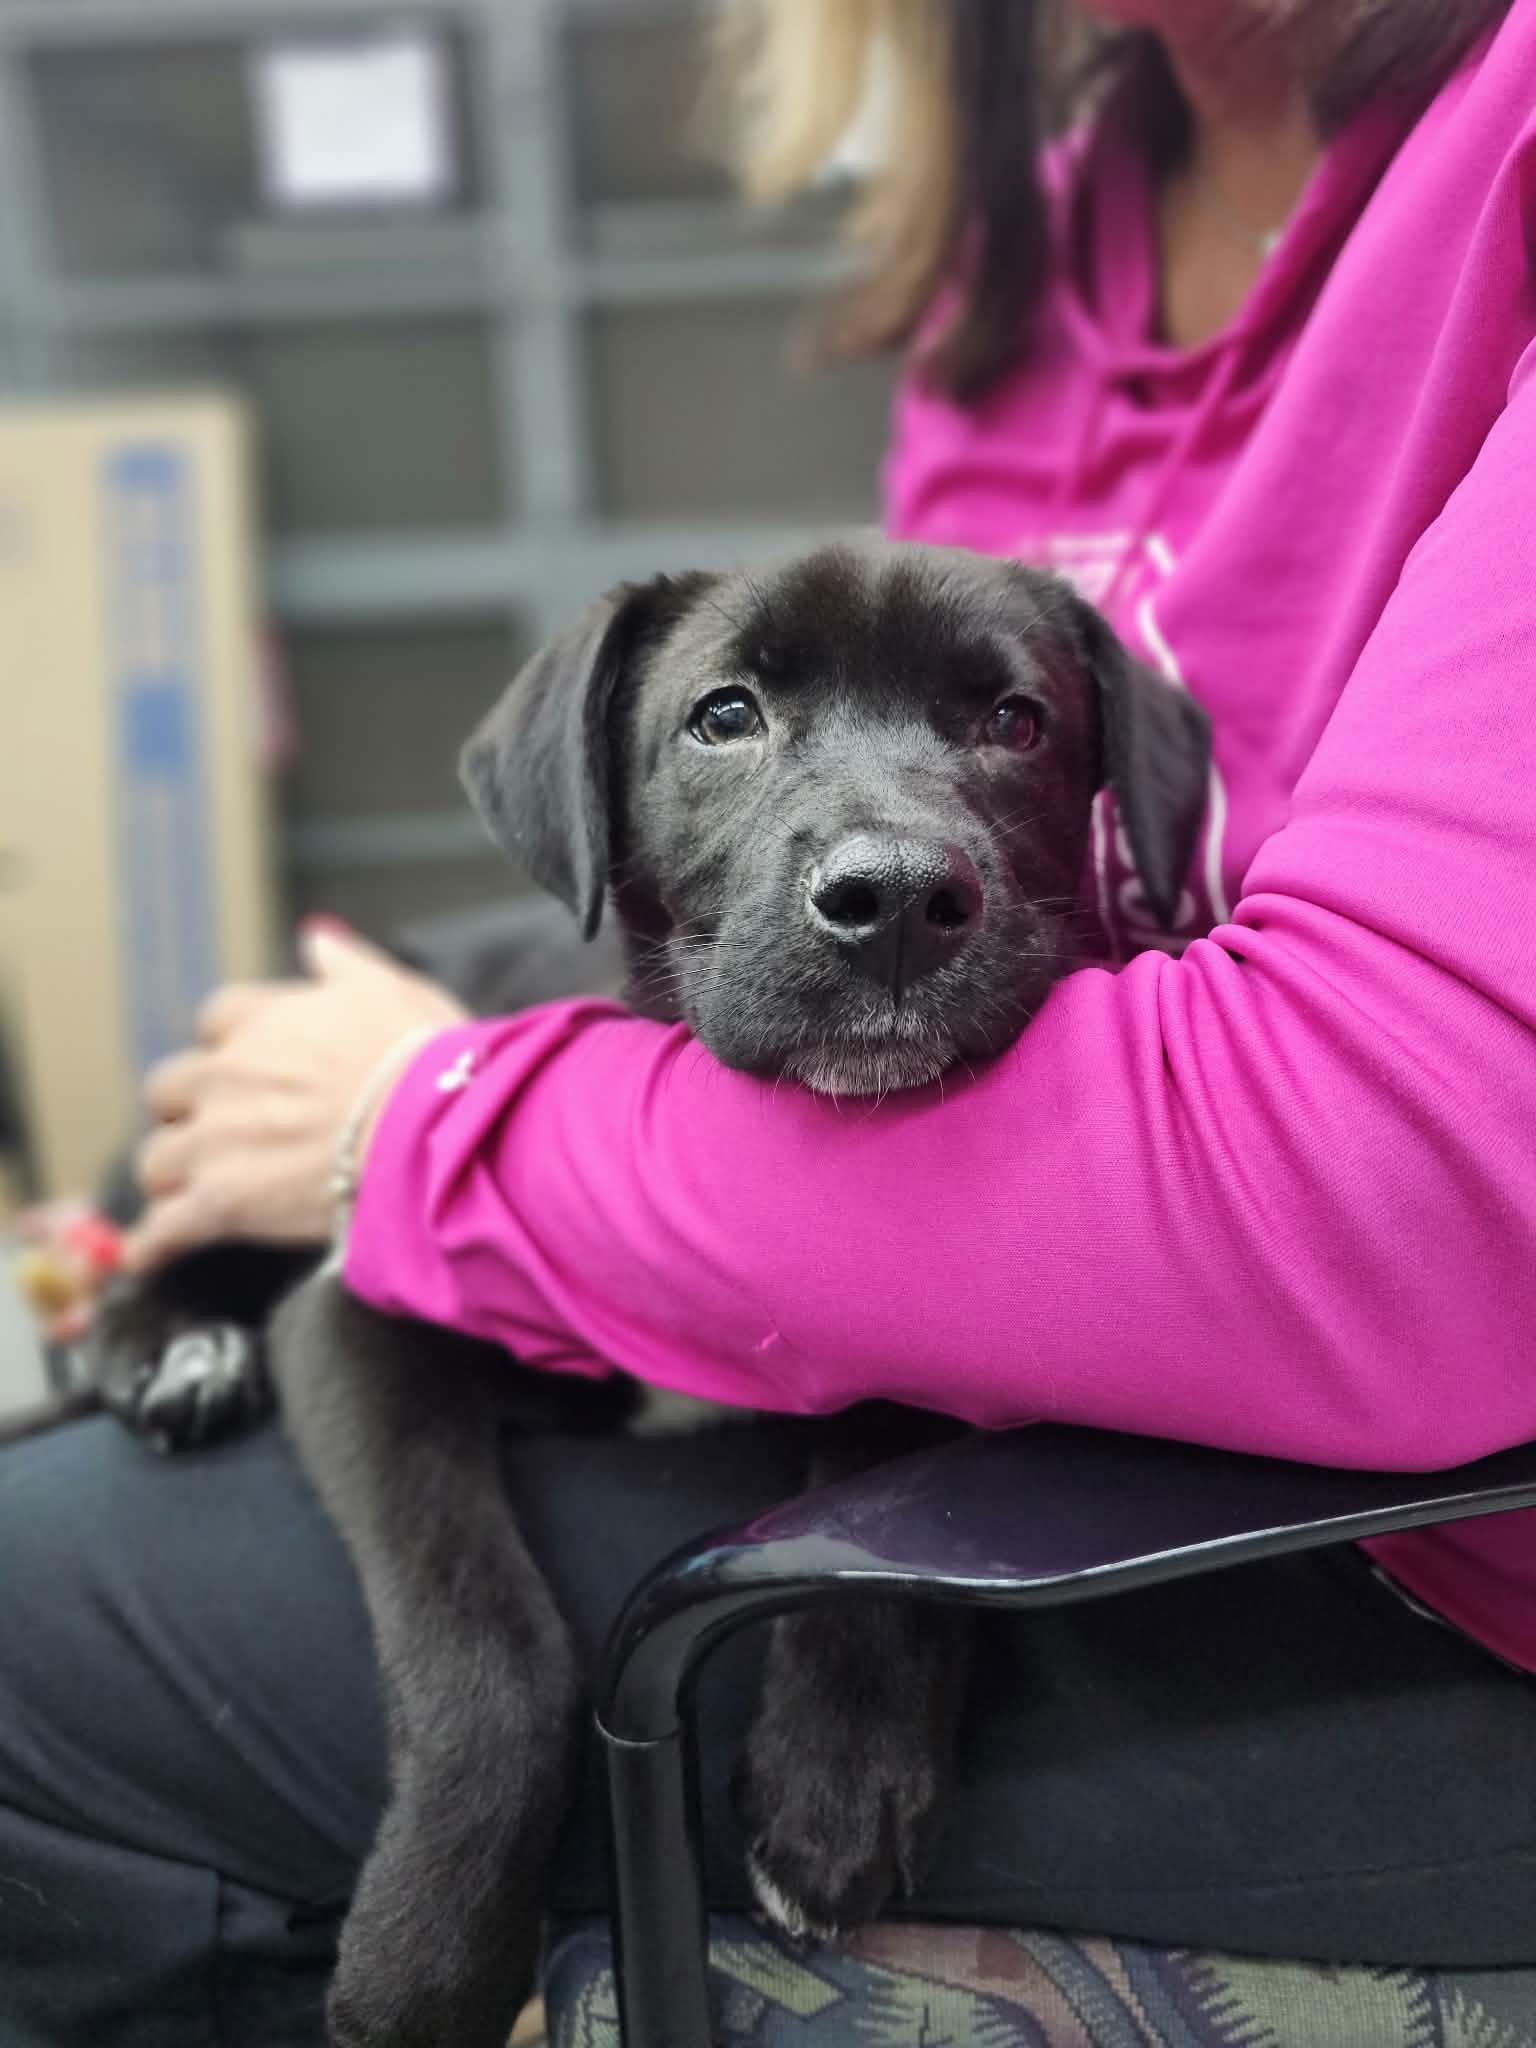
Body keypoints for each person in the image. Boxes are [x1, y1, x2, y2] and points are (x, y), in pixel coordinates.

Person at [6, 2, 1536, 2040]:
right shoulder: (1033, 236)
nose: (896, 845)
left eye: (1000, 724)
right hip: (1064, 1311)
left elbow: (1384, 1186)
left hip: (1418, 1565)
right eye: (733, 721)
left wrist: (428, 1127)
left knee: (39, 1600)